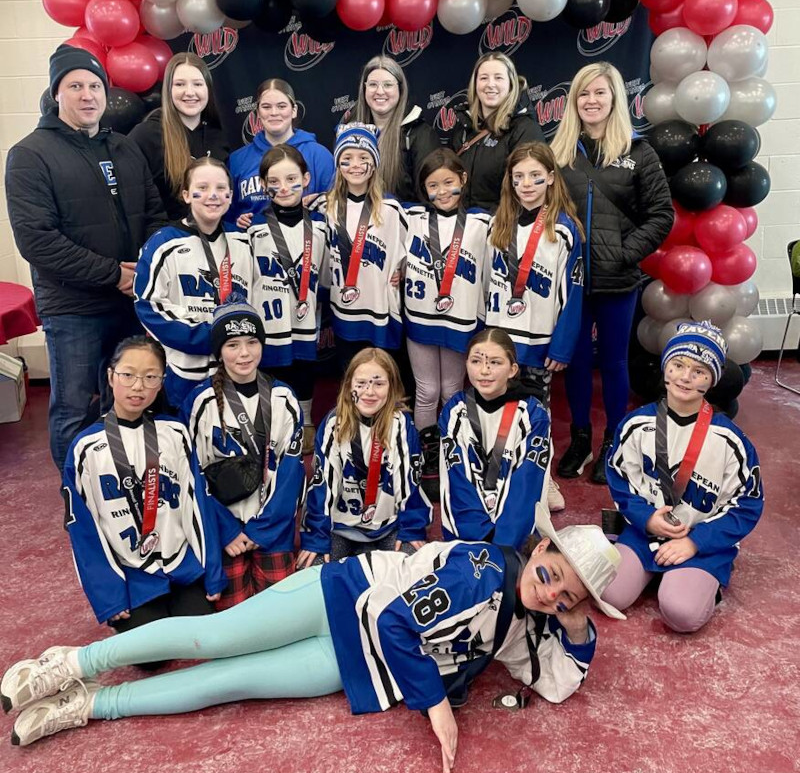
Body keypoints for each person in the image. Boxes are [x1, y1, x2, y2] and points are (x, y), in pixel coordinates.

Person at [1, 509, 623, 769]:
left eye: (565, 597)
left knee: (228, 682)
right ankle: (71, 663)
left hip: (355, 664)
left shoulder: (522, 619)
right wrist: (436, 706)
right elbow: (395, 622)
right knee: (211, 639)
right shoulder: (485, 570)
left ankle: (90, 705)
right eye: (552, 575)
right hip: (339, 599)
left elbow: (557, 681)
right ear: (539, 549)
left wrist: (576, 622)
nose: (551, 594)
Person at [5, 44, 166, 472]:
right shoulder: (30, 154)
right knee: (73, 408)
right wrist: (114, 274)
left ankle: (121, 484)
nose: (88, 95)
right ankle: (75, 495)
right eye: (75, 86)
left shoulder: (124, 148)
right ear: (56, 93)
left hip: (130, 302)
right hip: (74, 308)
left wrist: (144, 270)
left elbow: (154, 214)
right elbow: (37, 241)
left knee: (129, 400)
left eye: (95, 86)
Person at [550, 61, 673, 486]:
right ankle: (581, 438)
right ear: (573, 101)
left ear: (615, 97)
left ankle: (614, 443)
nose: (591, 101)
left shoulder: (639, 152)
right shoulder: (560, 152)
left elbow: (661, 214)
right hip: (571, 280)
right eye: (583, 93)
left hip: (618, 278)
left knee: (615, 361)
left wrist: (625, 253)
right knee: (576, 360)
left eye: (600, 92)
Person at [602, 321, 763, 633]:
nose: (685, 377)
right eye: (677, 365)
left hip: (700, 541)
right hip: (646, 532)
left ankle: (694, 581)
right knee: (610, 594)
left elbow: (747, 506)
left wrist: (695, 542)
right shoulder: (636, 425)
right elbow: (620, 479)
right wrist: (646, 518)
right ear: (665, 369)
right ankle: (660, 571)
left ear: (711, 380)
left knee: (681, 614)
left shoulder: (730, 440)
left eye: (699, 371)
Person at [60, 335, 225, 637]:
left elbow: (197, 506)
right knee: (150, 654)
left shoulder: (175, 433)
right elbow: (83, 528)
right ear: (111, 376)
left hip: (180, 565)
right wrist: (109, 596)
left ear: (161, 383)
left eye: (150, 377)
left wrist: (212, 573)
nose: (138, 386)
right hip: (131, 573)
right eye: (128, 375)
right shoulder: (85, 448)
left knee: (201, 635)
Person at [182, 297, 305, 610]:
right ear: (219, 350)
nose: (244, 353)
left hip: (272, 529)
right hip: (226, 533)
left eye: (252, 342)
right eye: (232, 345)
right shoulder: (200, 402)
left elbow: (291, 472)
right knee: (232, 619)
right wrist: (226, 530)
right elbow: (193, 476)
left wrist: (263, 529)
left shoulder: (283, 398)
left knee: (280, 615)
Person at [484, 142, 585, 510]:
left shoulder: (564, 229)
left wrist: (562, 345)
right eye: (519, 177)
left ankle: (542, 480)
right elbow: (484, 281)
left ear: (551, 178)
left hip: (538, 341)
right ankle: (497, 476)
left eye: (535, 176)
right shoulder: (498, 223)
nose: (526, 184)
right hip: (499, 339)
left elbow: (574, 292)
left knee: (535, 413)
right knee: (496, 409)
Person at [403, 148, 489, 494]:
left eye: (448, 182)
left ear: (463, 180)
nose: (441, 192)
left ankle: (453, 450)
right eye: (433, 185)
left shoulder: (482, 222)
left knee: (452, 390)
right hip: (420, 318)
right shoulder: (411, 217)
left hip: (460, 319)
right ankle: (426, 455)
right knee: (426, 390)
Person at [134, 157, 253, 407]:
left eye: (221, 188)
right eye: (203, 187)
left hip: (234, 369)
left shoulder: (243, 242)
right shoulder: (163, 244)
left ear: (231, 196)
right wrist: (208, 337)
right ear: (186, 195)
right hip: (182, 373)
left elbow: (254, 301)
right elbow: (148, 306)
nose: (213, 195)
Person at [297, 348, 430, 568]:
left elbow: (409, 483)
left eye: (379, 384)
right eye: (361, 384)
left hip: (388, 525)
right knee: (314, 570)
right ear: (348, 386)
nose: (369, 392)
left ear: (392, 387)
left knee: (413, 567)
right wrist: (317, 538)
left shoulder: (400, 424)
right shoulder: (334, 424)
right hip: (340, 527)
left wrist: (411, 529)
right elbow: (323, 486)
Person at [439, 329, 551, 549]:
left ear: (513, 370)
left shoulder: (532, 415)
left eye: (495, 362)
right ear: (466, 364)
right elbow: (457, 483)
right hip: (467, 534)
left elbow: (526, 486)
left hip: (517, 536)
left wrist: (504, 546)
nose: (484, 370)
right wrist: (479, 539)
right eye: (476, 361)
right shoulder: (454, 411)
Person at [248, 145, 328, 454]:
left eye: (292, 179)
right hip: (270, 321)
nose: (283, 187)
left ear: (306, 179)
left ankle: (306, 421)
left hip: (306, 317)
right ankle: (275, 426)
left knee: (304, 369)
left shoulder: (320, 224)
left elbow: (327, 274)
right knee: (273, 373)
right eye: (274, 181)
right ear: (263, 185)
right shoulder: (253, 228)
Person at [320, 123, 406, 372]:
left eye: (363, 157)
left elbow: (412, 247)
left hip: (379, 309)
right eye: (347, 158)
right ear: (338, 164)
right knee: (350, 376)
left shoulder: (391, 208)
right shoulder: (326, 206)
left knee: (383, 377)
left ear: (375, 163)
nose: (355, 165)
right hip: (344, 310)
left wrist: (402, 270)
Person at [129, 53, 230, 221]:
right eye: (180, 84)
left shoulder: (219, 135)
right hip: (168, 234)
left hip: (217, 233)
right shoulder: (146, 136)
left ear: (208, 89)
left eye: (197, 84)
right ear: (168, 89)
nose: (189, 92)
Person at [229, 79, 334, 227]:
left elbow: (337, 207)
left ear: (294, 110)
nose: (274, 113)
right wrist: (238, 222)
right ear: (258, 112)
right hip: (255, 240)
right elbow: (228, 215)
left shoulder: (319, 156)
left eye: (281, 106)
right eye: (266, 107)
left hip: (310, 238)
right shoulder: (237, 161)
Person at [449, 52, 545, 211]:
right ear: (475, 84)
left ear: (511, 84)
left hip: (503, 223)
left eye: (498, 78)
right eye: (484, 78)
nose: (490, 84)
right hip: (464, 223)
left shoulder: (525, 129)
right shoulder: (463, 129)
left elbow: (531, 191)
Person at [349, 55, 441, 204]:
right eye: (373, 84)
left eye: (387, 85)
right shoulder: (350, 132)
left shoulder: (421, 135)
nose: (380, 91)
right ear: (364, 88)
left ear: (400, 89)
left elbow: (430, 196)